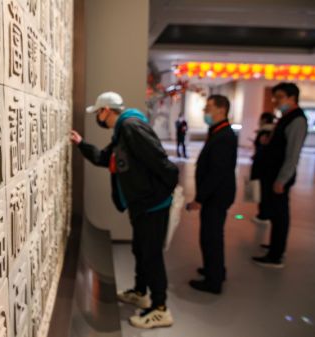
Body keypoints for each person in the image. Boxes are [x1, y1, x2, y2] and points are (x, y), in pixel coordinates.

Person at [70, 92, 178, 329]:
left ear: (106, 110)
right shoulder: (121, 132)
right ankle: (141, 292)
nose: (98, 117)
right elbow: (103, 158)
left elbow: (161, 162)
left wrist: (161, 193)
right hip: (141, 204)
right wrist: (81, 144)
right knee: (140, 250)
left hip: (152, 205)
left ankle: (160, 309)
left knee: (151, 254)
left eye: (98, 112)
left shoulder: (131, 127)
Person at [252, 83, 308, 268]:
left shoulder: (297, 120)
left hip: (279, 177)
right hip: (272, 174)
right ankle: (275, 246)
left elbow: (292, 154)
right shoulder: (285, 117)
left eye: (280, 97)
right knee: (276, 214)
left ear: (292, 98)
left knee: (280, 214)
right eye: (275, 97)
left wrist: (282, 180)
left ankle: (276, 254)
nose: (276, 101)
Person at [187, 95, 237, 294]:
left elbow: (217, 172)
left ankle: (213, 281)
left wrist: (200, 199)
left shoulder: (224, 136)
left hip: (217, 195)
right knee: (212, 234)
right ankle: (215, 269)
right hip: (216, 194)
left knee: (210, 237)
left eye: (208, 108)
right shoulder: (218, 131)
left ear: (222, 109)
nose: (205, 112)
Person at [250, 112, 276, 226]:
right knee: (265, 190)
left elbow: (262, 146)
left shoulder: (265, 131)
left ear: (264, 120)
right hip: (268, 165)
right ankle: (265, 213)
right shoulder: (274, 130)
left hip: (262, 165)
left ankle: (263, 215)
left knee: (262, 190)